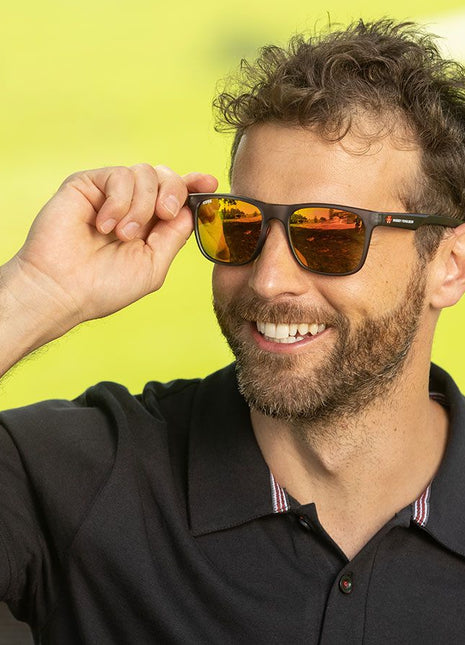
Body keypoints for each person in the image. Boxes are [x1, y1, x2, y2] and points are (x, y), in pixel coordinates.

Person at [1, 18, 465, 644]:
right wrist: (33, 294)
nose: (268, 280)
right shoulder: (89, 478)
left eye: (328, 233)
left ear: (449, 266)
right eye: (239, 225)